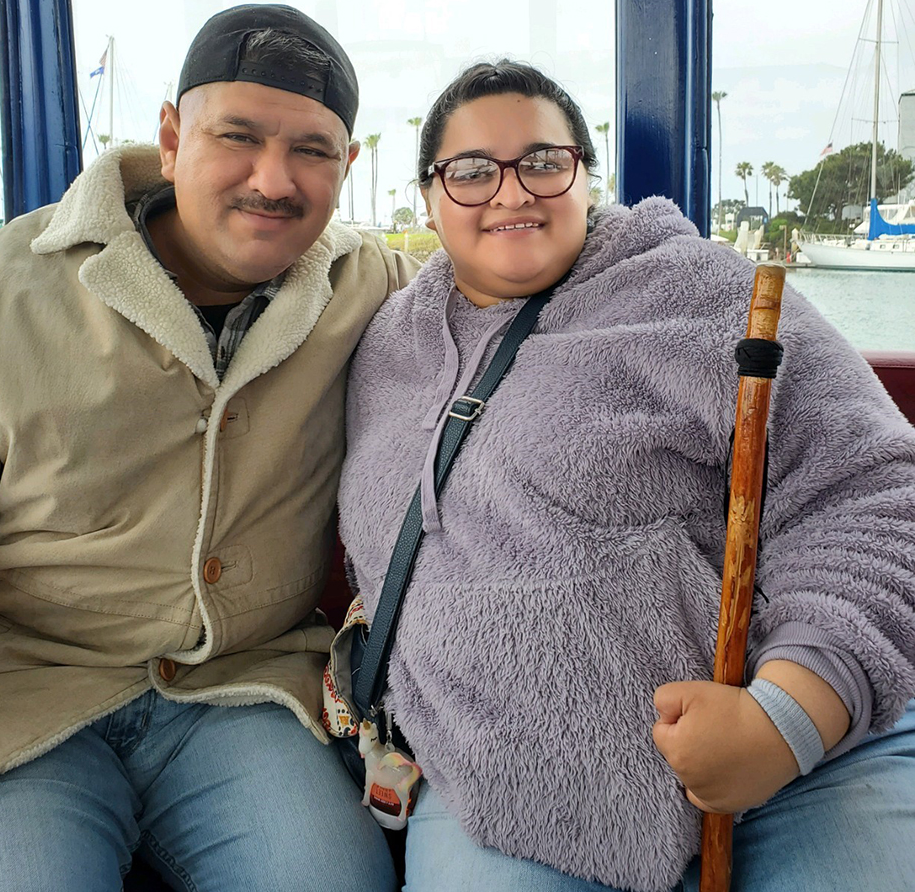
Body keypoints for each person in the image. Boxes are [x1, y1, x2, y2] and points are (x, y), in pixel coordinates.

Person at [337, 60, 915, 892]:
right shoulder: (388, 342)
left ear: (584, 174)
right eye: (470, 171)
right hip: (506, 792)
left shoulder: (702, 292)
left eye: (543, 160)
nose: (510, 193)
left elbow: (872, 489)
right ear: (429, 198)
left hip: (807, 759)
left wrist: (788, 717)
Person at [0, 4, 417, 891]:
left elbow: (527, 272)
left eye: (310, 149)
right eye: (238, 136)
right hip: (16, 689)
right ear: (170, 136)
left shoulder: (373, 285)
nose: (272, 178)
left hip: (250, 691)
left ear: (346, 167)